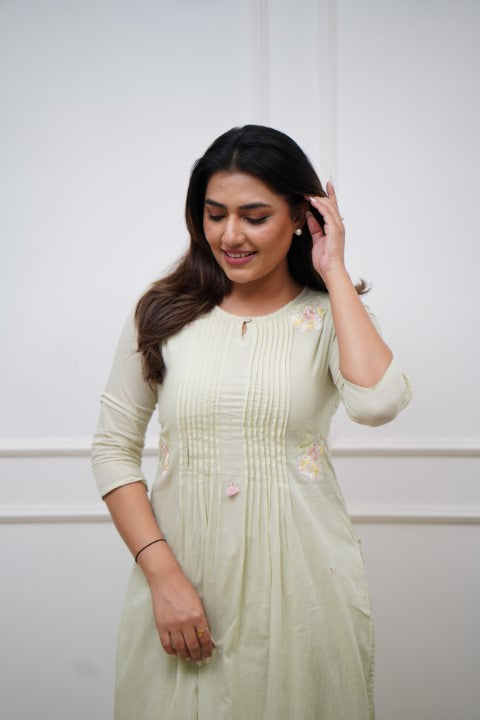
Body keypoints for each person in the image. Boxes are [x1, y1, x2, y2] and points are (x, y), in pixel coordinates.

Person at [91, 124, 412, 720]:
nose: (230, 235)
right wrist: (163, 577)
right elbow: (113, 449)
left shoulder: (330, 317)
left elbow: (377, 403)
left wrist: (335, 270)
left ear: (300, 217)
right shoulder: (161, 313)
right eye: (215, 214)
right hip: (182, 588)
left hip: (303, 592)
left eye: (254, 216)